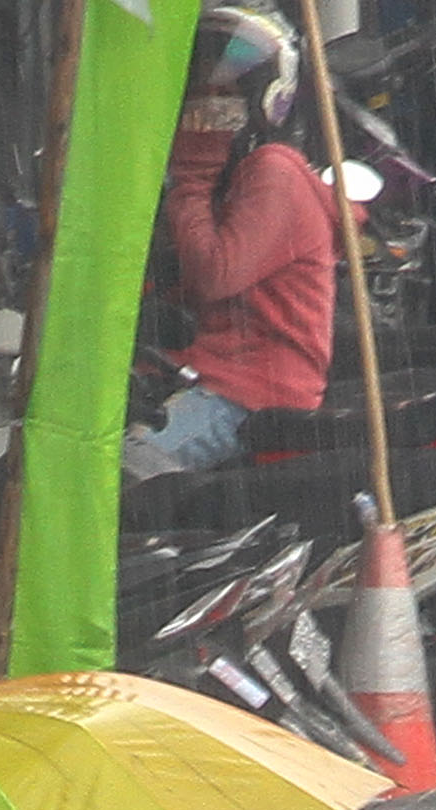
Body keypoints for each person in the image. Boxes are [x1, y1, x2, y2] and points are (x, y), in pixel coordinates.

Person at [127, 8, 342, 477]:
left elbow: (215, 274)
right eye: (200, 97)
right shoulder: (232, 177)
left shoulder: (274, 171)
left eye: (223, 99)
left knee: (124, 466)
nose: (206, 115)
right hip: (206, 372)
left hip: (248, 393)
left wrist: (191, 176)